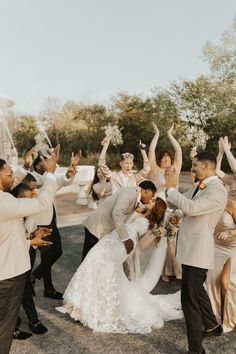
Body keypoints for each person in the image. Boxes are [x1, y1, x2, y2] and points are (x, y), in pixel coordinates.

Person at [56, 198, 183, 333]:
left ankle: (94, 311)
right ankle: (80, 306)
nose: (149, 201)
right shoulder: (139, 211)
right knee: (91, 267)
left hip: (117, 249)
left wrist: (155, 234)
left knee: (102, 273)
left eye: (152, 201)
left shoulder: (151, 226)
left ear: (156, 208)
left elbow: (140, 246)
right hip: (108, 242)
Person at [165, 151, 228, 354]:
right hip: (189, 250)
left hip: (199, 252)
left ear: (207, 166)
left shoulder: (218, 190)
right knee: (196, 290)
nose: (192, 168)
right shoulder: (200, 186)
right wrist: (169, 193)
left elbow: (191, 208)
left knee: (188, 299)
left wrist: (172, 189)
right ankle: (212, 326)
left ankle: (196, 350)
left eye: (195, 165)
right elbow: (178, 203)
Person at [0, 155, 58, 354]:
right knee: (4, 329)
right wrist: (50, 173)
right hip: (7, 276)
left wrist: (29, 240)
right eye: (9, 174)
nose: (12, 178)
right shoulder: (4, 201)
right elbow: (42, 204)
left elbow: (5, 236)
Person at [30, 149, 81, 299]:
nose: (49, 165)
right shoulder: (33, 178)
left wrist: (69, 173)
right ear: (38, 166)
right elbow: (46, 183)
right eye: (45, 162)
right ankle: (48, 289)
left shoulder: (48, 179)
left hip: (52, 221)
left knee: (57, 251)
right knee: (46, 257)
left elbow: (59, 182)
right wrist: (53, 174)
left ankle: (34, 276)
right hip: (40, 224)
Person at [81, 180, 157, 261]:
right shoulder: (130, 193)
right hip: (97, 225)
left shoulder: (134, 193)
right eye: (151, 196)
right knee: (88, 256)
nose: (150, 200)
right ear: (147, 191)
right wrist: (125, 239)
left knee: (94, 256)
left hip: (102, 226)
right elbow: (117, 214)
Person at [11, 184, 48, 340]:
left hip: (22, 259)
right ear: (19, 200)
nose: (32, 203)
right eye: (28, 200)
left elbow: (26, 234)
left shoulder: (29, 214)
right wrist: (31, 241)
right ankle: (12, 327)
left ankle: (33, 320)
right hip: (8, 262)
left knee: (25, 290)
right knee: (10, 297)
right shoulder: (9, 214)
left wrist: (35, 234)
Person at [148, 122, 182, 282]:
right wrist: (157, 133)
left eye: (168, 158)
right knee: (162, 238)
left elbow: (179, 150)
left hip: (176, 206)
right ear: (159, 160)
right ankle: (163, 271)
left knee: (174, 239)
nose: (166, 160)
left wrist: (169, 134)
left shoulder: (175, 168)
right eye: (163, 159)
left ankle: (176, 269)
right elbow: (151, 151)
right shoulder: (155, 170)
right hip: (160, 206)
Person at [206, 198, 236, 333]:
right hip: (215, 246)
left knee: (225, 282)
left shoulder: (231, 204)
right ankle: (216, 317)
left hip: (232, 248)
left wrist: (229, 232)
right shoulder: (212, 201)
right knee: (211, 281)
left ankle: (231, 317)